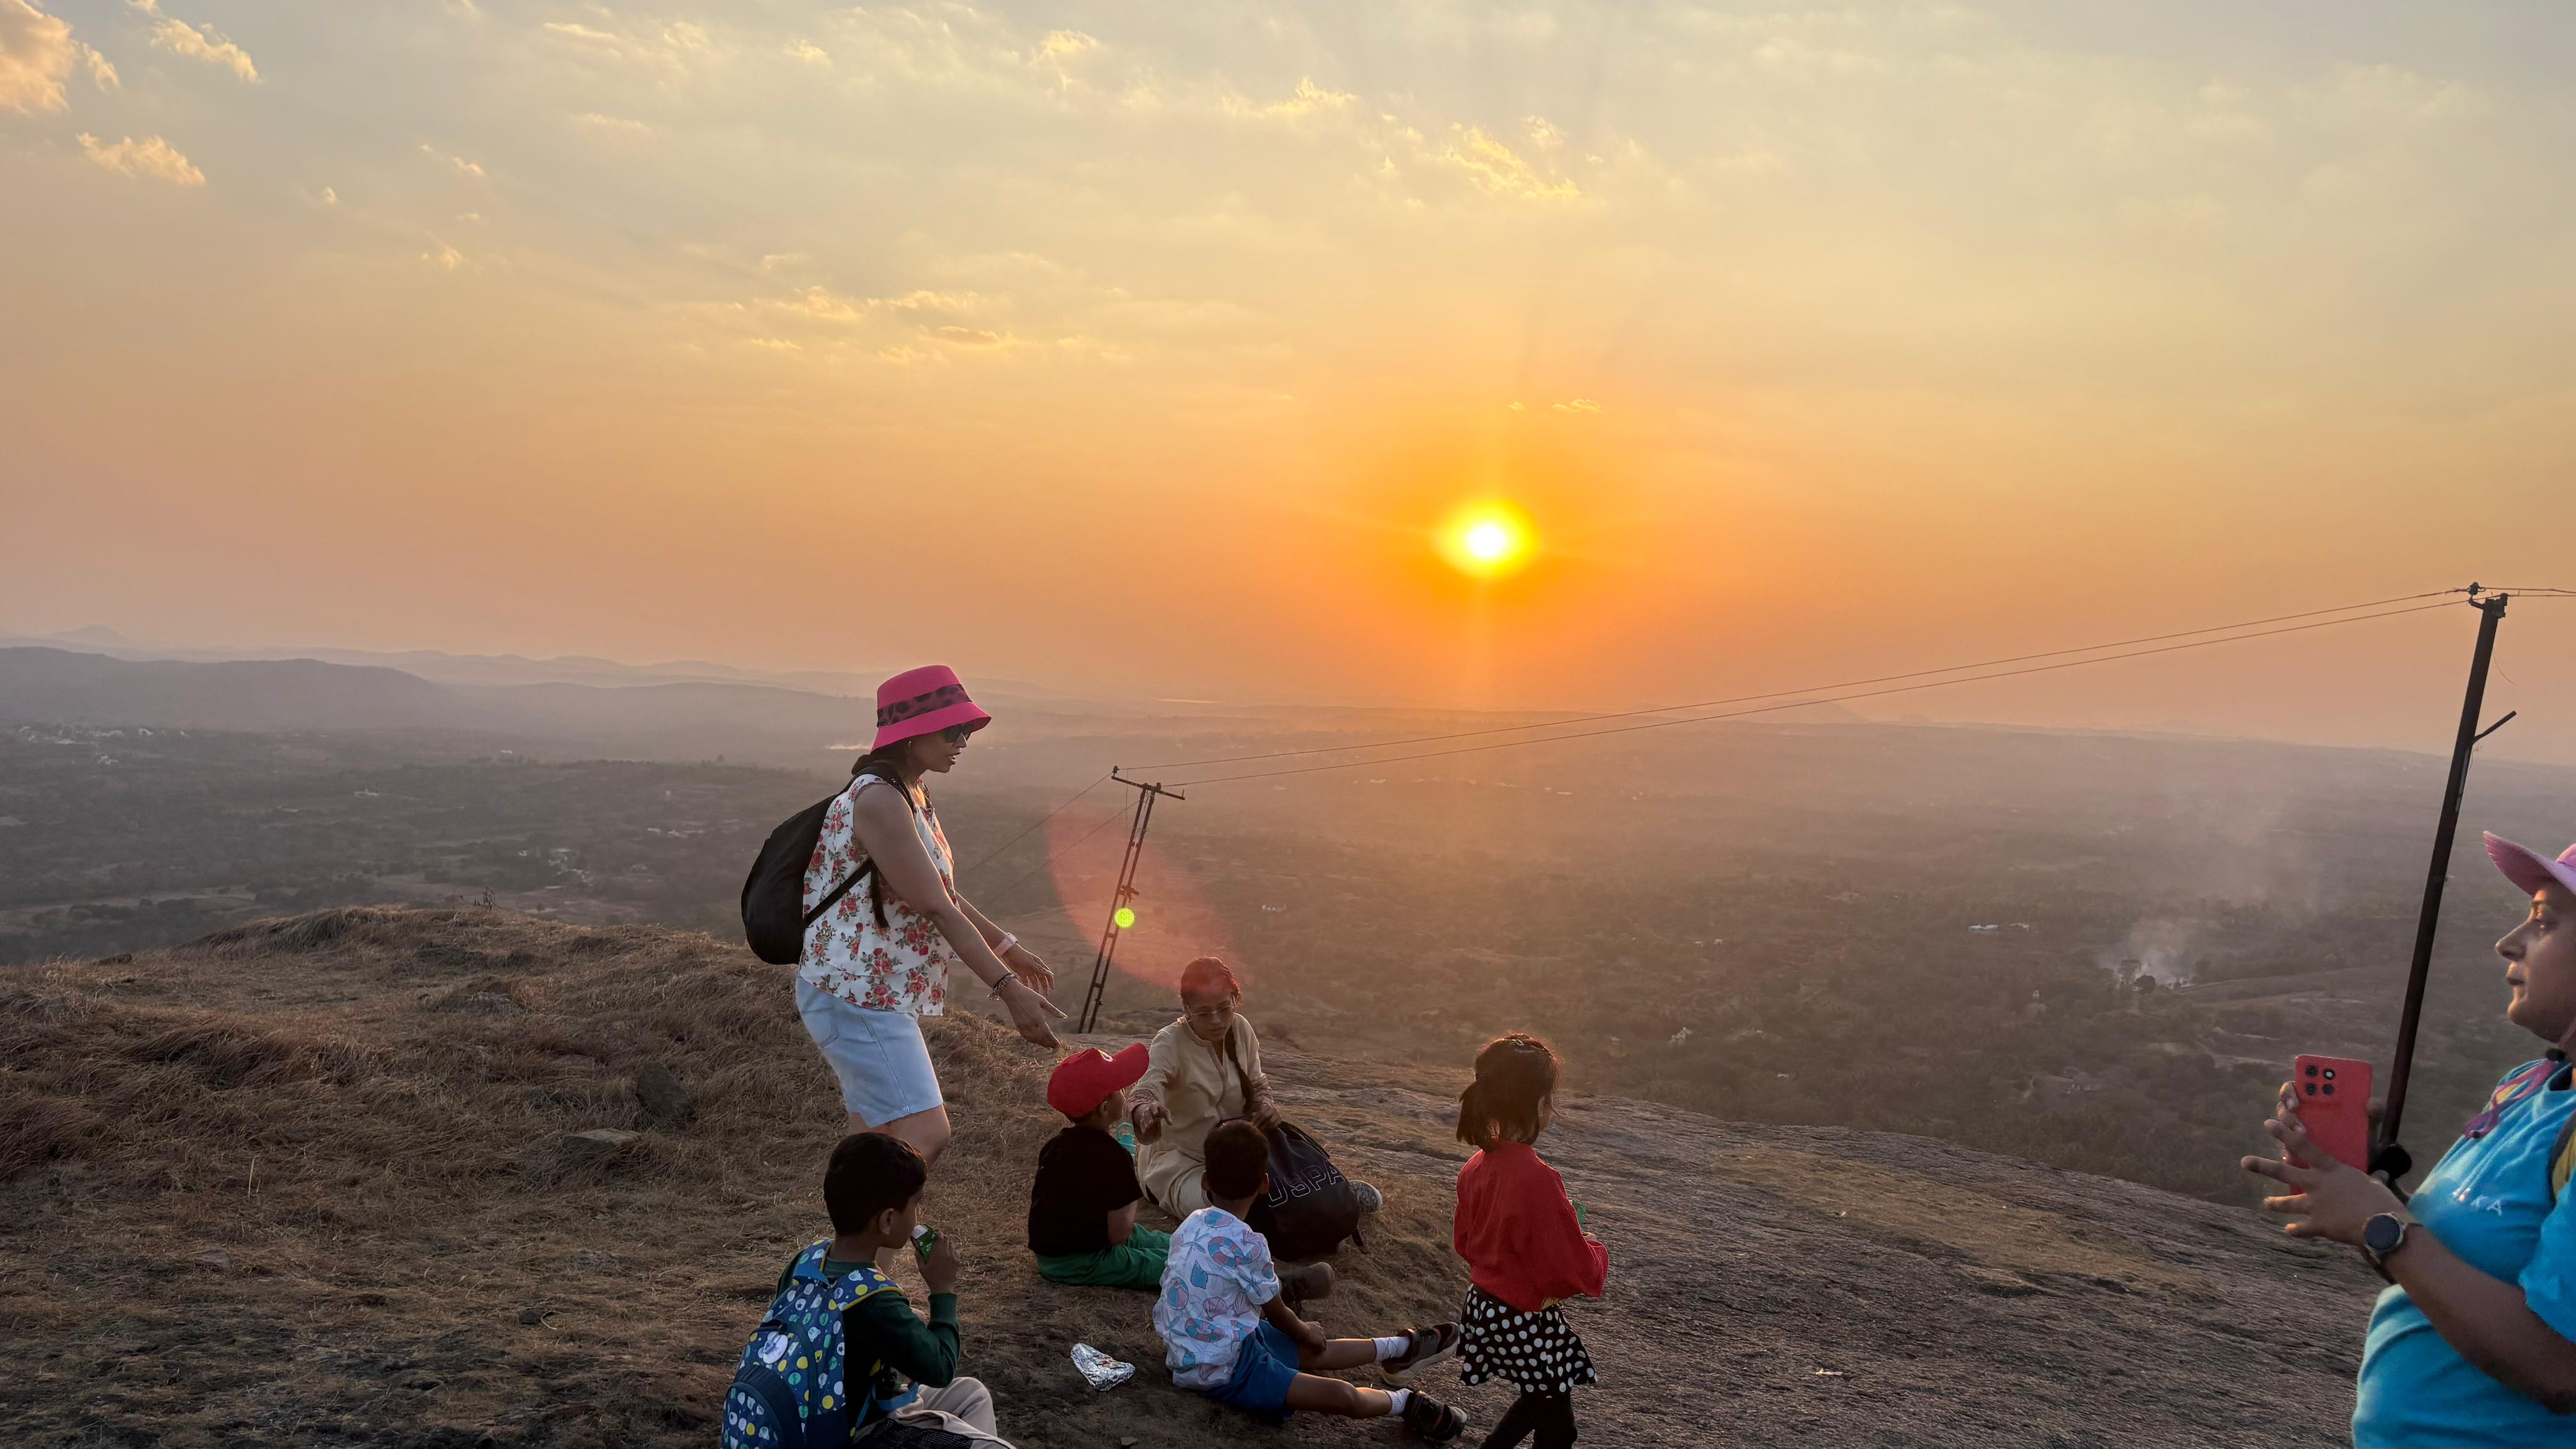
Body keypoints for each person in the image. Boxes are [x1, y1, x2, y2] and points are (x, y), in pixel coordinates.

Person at [2243, 833, 2576, 1448]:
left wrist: (2384, 1227)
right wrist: (2360, 1195)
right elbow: (2439, 1275)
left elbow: (2559, 1370)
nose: (2508, 942)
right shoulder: (2529, 1086)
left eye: (2544, 923)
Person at [798, 665, 1062, 1168]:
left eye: (966, 729)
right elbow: (937, 907)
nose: (962, 740)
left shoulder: (909, 791)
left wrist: (1008, 947)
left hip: (869, 988)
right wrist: (1008, 990)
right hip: (853, 992)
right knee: (925, 1131)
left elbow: (943, 892)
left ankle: (866, 1245)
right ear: (911, 733)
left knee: (875, 1135)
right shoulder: (879, 799)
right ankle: (867, 1227)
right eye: (952, 730)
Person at [1153, 1119, 1468, 1440]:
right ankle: (1406, 1403)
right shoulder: (1248, 1244)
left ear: (1205, 1181)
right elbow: (1277, 1314)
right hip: (1222, 1370)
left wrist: (1303, 1334)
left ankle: (1402, 1348)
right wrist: (1305, 1330)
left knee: (1315, 1350)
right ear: (1265, 1184)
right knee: (1342, 1394)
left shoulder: (1192, 1223)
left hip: (1206, 1340)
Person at [724, 1133, 1011, 1447]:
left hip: (808, 1414)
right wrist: (943, 1289)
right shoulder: (874, 1300)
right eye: (915, 1206)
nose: (917, 1216)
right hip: (856, 1433)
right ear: (888, 1220)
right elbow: (940, 1368)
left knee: (971, 1394)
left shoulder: (807, 1260)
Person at [1130, 955, 1382, 1218]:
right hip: (1184, 1161)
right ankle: (1316, 1209)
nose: (1216, 1020)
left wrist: (1266, 1106)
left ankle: (1334, 1195)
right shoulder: (1170, 1043)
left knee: (1265, 1186)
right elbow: (1146, 1090)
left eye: (1225, 1008)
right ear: (1187, 1009)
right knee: (1224, 1207)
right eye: (1204, 1012)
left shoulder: (1242, 1030)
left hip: (1240, 1152)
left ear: (1235, 1000)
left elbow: (1258, 1085)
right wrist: (1146, 1111)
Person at [1451, 1034, 1607, 1449]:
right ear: (1539, 1106)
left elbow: (1467, 1243)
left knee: (1542, 1399)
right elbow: (1565, 1271)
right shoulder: (1538, 1180)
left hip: (1485, 1308)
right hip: (1523, 1320)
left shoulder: (1476, 1166)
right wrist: (1594, 1249)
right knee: (1558, 1428)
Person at [1029, 1044, 1169, 1290]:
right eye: (1119, 1088)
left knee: (1156, 1240)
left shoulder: (1055, 1146)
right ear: (1105, 1108)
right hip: (1081, 1261)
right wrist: (1128, 1172)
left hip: (1051, 1255)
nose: (1125, 1089)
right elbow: (1119, 1236)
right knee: (1166, 1265)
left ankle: (1194, 1244)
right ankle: (1206, 1261)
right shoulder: (1114, 1157)